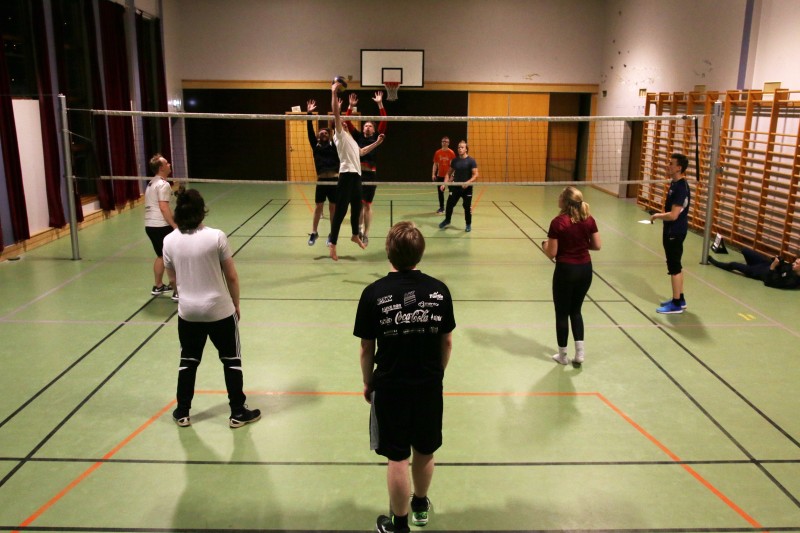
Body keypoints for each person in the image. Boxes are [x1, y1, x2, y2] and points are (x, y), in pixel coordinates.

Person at [354, 221, 455, 533]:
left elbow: (366, 347)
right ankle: (420, 506)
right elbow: (447, 342)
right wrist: (437, 374)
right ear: (420, 253)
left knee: (397, 457)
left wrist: (368, 381)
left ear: (388, 252)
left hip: (390, 385)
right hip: (428, 385)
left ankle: (399, 525)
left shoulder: (373, 293)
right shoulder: (439, 291)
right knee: (425, 449)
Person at [162, 188, 261, 429]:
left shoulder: (169, 241)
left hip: (188, 313)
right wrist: (235, 303)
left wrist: (187, 297)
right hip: (219, 311)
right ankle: (237, 411)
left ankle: (182, 411)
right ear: (201, 211)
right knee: (231, 360)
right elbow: (232, 276)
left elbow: (173, 280)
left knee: (188, 361)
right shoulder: (216, 237)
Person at [541, 186, 601, 365]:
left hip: (566, 271)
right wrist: (579, 244)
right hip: (585, 270)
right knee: (576, 311)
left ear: (565, 202)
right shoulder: (588, 219)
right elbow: (597, 245)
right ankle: (580, 354)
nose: (558, 198)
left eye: (560, 196)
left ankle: (563, 356)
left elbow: (552, 253)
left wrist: (544, 245)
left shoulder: (558, 222)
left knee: (562, 313)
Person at [328, 81, 384, 261]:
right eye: (342, 123)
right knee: (341, 211)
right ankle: (333, 244)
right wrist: (334, 93)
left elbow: (362, 152)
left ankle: (354, 235)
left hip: (357, 177)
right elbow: (337, 114)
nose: (345, 124)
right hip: (346, 176)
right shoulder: (339, 135)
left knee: (357, 207)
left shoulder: (352, 140)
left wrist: (377, 143)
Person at [650, 152, 691, 314]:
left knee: (674, 267)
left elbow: (673, 215)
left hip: (675, 231)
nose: (668, 166)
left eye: (671, 163)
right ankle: (680, 299)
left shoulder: (681, 187)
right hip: (672, 230)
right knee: (676, 265)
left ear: (679, 168)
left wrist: (657, 215)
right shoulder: (675, 184)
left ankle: (676, 304)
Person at [346, 91, 387, 246]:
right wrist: (350, 106)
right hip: (358, 174)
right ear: (363, 129)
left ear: (374, 129)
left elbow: (384, 120)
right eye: (366, 125)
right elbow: (348, 121)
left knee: (367, 205)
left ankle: (366, 233)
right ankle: (359, 230)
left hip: (370, 176)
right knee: (358, 205)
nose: (368, 126)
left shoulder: (377, 137)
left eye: (370, 125)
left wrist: (380, 104)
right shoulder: (358, 137)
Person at [305, 99, 339, 246]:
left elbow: (337, 130)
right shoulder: (316, 146)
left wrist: (337, 112)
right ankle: (314, 232)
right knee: (318, 206)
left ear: (329, 135)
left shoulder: (334, 146)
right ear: (319, 136)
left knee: (333, 208)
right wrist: (309, 113)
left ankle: (332, 234)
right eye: (321, 133)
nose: (324, 133)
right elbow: (310, 132)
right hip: (321, 180)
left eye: (326, 132)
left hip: (334, 181)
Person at [145, 153, 178, 300]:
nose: (169, 164)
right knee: (173, 257)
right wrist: (174, 225)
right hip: (161, 226)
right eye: (166, 163)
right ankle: (177, 291)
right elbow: (164, 207)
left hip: (150, 225)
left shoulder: (152, 183)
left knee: (161, 255)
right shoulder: (163, 185)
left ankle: (158, 286)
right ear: (161, 168)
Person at [708, 248, 800, 289]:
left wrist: (773, 266)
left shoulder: (791, 281)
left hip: (757, 272)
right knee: (745, 250)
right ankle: (747, 265)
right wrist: (778, 262)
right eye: (795, 262)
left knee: (734, 265)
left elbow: (768, 282)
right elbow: (782, 267)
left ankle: (714, 262)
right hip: (763, 263)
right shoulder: (792, 268)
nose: (793, 264)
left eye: (796, 263)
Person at [438, 140, 478, 232]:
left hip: (467, 188)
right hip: (456, 187)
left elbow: (476, 175)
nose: (460, 149)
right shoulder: (455, 161)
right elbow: (448, 174)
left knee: (467, 207)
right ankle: (447, 220)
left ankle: (468, 224)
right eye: (459, 147)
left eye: (462, 147)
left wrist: (468, 182)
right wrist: (444, 184)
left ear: (466, 149)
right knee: (449, 205)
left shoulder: (471, 161)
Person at [431, 136, 455, 214]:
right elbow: (435, 164)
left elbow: (453, 165)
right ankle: (442, 208)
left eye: (446, 142)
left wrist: (452, 175)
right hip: (440, 176)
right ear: (441, 143)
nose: (444, 143)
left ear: (448, 143)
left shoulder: (451, 153)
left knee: (451, 192)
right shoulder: (437, 152)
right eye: (443, 141)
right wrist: (433, 174)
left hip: (449, 176)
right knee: (440, 193)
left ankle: (450, 207)